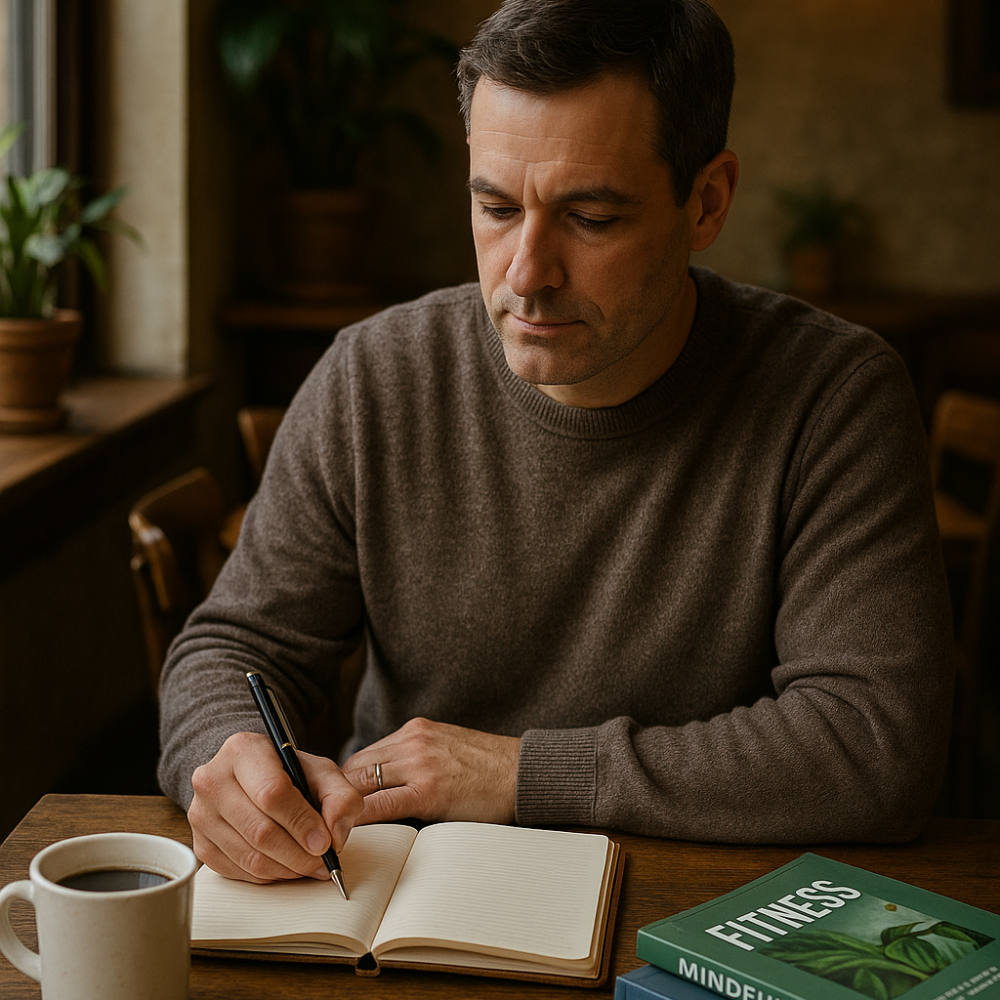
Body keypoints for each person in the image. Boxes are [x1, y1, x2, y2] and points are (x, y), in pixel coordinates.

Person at [158, 0, 953, 885]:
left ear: (707, 202)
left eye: (592, 218)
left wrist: (521, 775)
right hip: (400, 900)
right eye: (495, 207)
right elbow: (231, 649)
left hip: (699, 910)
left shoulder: (834, 396)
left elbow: (875, 744)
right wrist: (228, 754)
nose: (526, 274)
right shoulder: (372, 376)